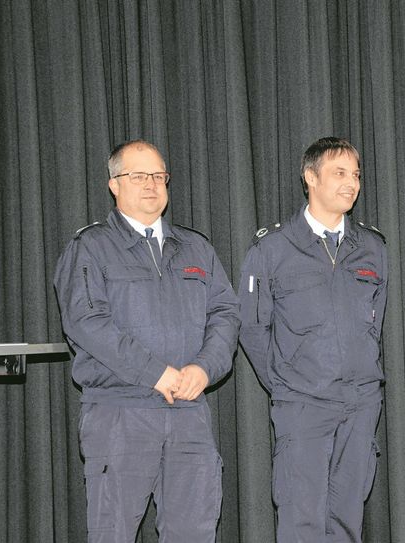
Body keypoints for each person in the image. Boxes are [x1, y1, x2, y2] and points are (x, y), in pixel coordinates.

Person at [54, 139, 240, 542]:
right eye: (138, 176)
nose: (151, 185)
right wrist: (155, 373)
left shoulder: (196, 247)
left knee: (193, 533)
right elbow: (86, 322)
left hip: (189, 415)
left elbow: (226, 314)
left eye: (159, 176)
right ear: (114, 185)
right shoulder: (90, 247)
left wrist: (205, 368)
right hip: (119, 415)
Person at [238, 137, 388, 542]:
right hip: (303, 406)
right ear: (310, 177)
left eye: (355, 174)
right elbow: (252, 328)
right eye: (339, 173)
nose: (351, 183)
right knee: (302, 522)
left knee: (346, 521)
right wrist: (290, 383)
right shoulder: (272, 248)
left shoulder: (372, 247)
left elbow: (375, 323)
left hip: (360, 405)